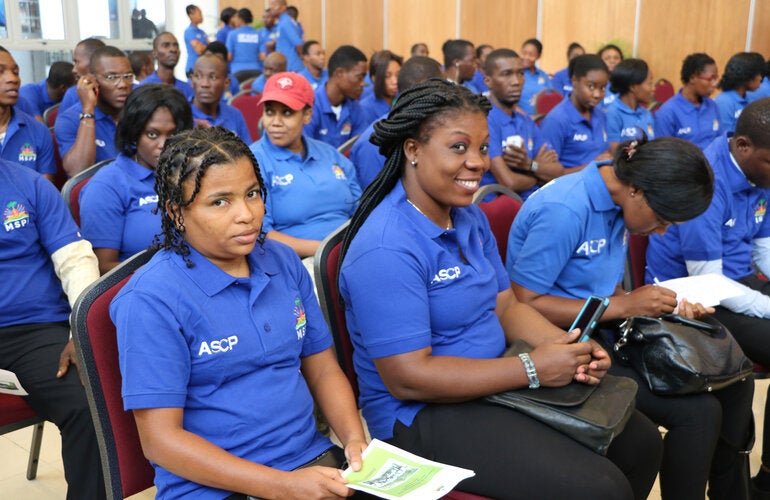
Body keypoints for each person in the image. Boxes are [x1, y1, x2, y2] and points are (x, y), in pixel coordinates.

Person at [338, 78, 663, 499]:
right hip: (422, 414)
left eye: (483, 148)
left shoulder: (467, 217)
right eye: (459, 147)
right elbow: (409, 379)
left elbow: (506, 305)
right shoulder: (386, 247)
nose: (477, 162)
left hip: (495, 378)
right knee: (599, 487)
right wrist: (532, 369)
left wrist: (567, 347)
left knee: (640, 442)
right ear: (413, 150)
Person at [111, 126, 368, 499]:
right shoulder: (151, 299)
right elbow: (160, 441)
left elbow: (323, 367)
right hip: (214, 487)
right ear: (176, 212)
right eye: (220, 202)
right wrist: (283, 487)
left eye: (252, 194)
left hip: (310, 461)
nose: (247, 215)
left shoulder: (281, 260)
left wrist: (354, 440)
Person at [506, 136, 755, 500]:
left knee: (736, 380)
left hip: (604, 328)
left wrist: (666, 304)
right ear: (637, 190)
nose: (662, 232)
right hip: (556, 343)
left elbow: (602, 289)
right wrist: (624, 305)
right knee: (697, 415)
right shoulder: (566, 210)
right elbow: (520, 304)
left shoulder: (619, 200)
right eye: (662, 220)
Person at [644, 98, 770, 497]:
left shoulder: (760, 176)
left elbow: (762, 247)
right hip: (692, 296)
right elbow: (708, 279)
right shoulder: (708, 178)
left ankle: (766, 475)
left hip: (738, 284)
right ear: (744, 146)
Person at [0, 158, 105, 500]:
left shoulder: (28, 185)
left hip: (33, 331)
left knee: (88, 407)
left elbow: (76, 260)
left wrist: (80, 330)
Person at [79, 84, 193, 274]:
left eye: (173, 135)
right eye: (152, 134)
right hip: (144, 289)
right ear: (134, 134)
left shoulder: (191, 174)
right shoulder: (107, 184)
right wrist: (172, 276)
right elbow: (102, 268)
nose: (164, 145)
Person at [250, 72, 360, 264]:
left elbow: (361, 212)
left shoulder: (331, 155)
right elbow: (261, 235)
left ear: (307, 115)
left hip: (353, 251)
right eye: (269, 112)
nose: (276, 122)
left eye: (287, 113)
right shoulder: (253, 161)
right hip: (298, 262)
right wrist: (328, 252)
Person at [349, 55, 443, 190]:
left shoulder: (433, 128)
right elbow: (375, 200)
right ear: (425, 88)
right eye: (444, 87)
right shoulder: (374, 142)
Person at [483, 48, 563, 200]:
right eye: (506, 74)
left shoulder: (525, 120)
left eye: (520, 73)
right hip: (500, 206)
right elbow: (508, 182)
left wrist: (529, 165)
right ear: (488, 81)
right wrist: (537, 177)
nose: (516, 82)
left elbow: (558, 171)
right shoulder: (485, 119)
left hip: (533, 201)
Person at [54, 45, 132, 176]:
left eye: (128, 76)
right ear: (91, 80)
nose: (123, 84)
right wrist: (88, 110)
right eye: (111, 77)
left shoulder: (140, 112)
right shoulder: (69, 119)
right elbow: (78, 171)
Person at [539, 54, 611, 169]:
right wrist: (593, 166)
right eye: (591, 87)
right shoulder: (557, 120)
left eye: (602, 88)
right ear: (574, 81)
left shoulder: (601, 116)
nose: (597, 95)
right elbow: (546, 175)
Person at [0, 48, 57, 181]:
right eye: (0, 72)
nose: (13, 79)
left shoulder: (38, 131)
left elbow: (44, 194)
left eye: (16, 72)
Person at [304, 45, 368, 149]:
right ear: (339, 73)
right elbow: (304, 152)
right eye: (359, 77)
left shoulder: (355, 107)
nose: (363, 84)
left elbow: (360, 147)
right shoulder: (311, 105)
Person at [655, 52, 721, 150]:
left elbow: (720, 142)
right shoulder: (667, 113)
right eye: (711, 79)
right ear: (692, 78)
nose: (715, 84)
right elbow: (663, 154)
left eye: (716, 79)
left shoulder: (712, 106)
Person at [190, 53, 252, 142]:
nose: (205, 84)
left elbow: (247, 153)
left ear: (226, 83)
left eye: (213, 77)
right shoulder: (183, 115)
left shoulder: (234, 114)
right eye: (199, 76)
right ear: (192, 81)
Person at [605, 58, 656, 152]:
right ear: (633, 87)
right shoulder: (612, 114)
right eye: (649, 83)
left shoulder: (646, 114)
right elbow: (614, 153)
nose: (653, 88)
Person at [714, 52, 765, 133]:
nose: (760, 78)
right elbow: (725, 136)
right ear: (747, 75)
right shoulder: (724, 102)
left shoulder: (749, 98)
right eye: (758, 74)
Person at [139, 32, 194, 100]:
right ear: (154, 53)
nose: (173, 50)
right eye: (166, 45)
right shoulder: (144, 88)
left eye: (176, 46)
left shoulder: (188, 89)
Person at [60, 37, 106, 112]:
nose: (73, 70)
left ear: (94, 62)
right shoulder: (73, 94)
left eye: (77, 62)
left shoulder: (125, 91)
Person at [360, 50, 402, 125]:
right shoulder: (365, 108)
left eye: (398, 75)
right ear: (374, 78)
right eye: (387, 76)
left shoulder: (402, 99)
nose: (395, 81)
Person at [225, 8, 261, 83]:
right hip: (256, 71)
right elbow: (262, 56)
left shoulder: (232, 34)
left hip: (238, 72)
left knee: (237, 94)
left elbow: (229, 56)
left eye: (236, 18)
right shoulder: (258, 34)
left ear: (240, 19)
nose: (234, 20)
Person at [519, 38, 551, 116]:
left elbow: (551, 97)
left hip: (541, 119)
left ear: (538, 56)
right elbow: (509, 103)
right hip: (520, 120)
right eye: (524, 53)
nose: (526, 57)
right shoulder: (516, 74)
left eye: (531, 54)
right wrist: (528, 118)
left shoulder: (543, 75)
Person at [270, 0, 304, 72]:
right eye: (271, 5)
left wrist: (303, 58)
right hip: (286, 65)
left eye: (275, 5)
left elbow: (298, 44)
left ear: (283, 7)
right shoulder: (282, 21)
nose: (272, 7)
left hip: (292, 66)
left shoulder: (286, 22)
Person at [184, 4, 208, 76]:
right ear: (191, 15)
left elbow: (211, 47)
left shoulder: (202, 32)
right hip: (193, 68)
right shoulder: (189, 31)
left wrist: (204, 47)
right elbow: (199, 50)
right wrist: (206, 47)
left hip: (204, 67)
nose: (201, 16)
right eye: (199, 14)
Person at [598, 44, 624, 109]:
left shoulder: (627, 84)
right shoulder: (597, 85)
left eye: (616, 58)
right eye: (607, 58)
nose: (612, 61)